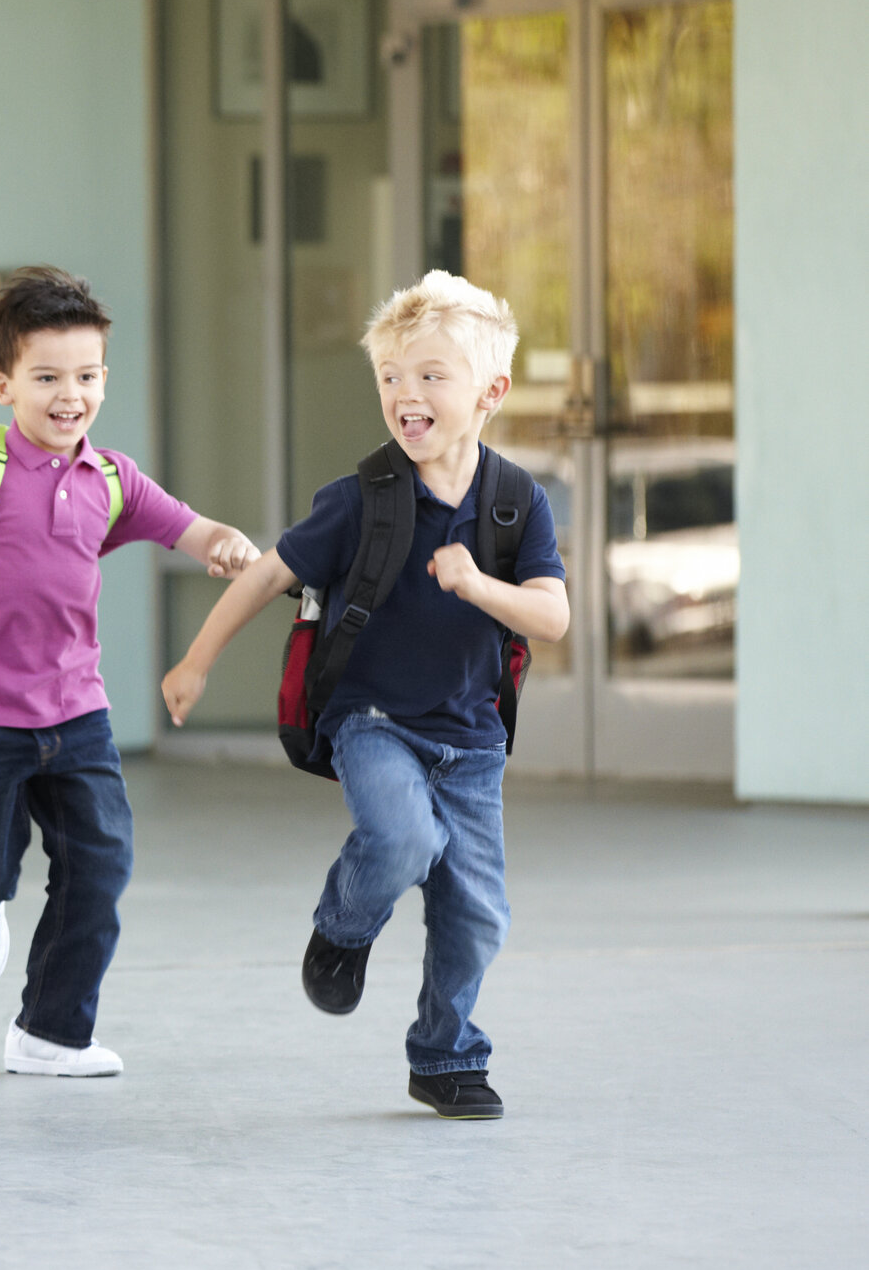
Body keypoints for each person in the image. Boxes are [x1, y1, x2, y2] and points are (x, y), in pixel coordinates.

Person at [161, 271, 567, 1119]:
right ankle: (343, 930)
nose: (404, 394)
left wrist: (477, 587)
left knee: (478, 913)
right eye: (390, 376)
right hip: (372, 720)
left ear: (490, 392)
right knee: (403, 836)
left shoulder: (516, 504)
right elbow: (271, 570)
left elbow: (553, 616)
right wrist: (197, 659)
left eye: (429, 376)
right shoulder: (361, 501)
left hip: (472, 739)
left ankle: (446, 1057)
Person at [0, 266, 260, 1077]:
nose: (69, 395)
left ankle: (50, 1032)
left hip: (76, 711)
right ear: (4, 384)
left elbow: (192, 528)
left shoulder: (112, 479)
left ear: (103, 379)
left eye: (85, 377)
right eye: (47, 377)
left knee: (103, 861)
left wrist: (226, 544)